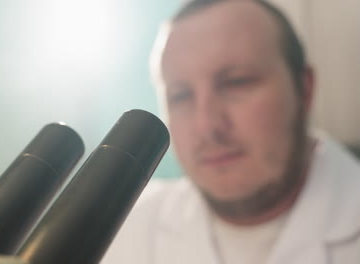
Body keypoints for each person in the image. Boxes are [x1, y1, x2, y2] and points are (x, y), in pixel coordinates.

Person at [101, 0, 360, 263]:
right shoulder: (120, 227)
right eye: (180, 96)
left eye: (237, 82)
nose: (207, 126)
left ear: (304, 89)